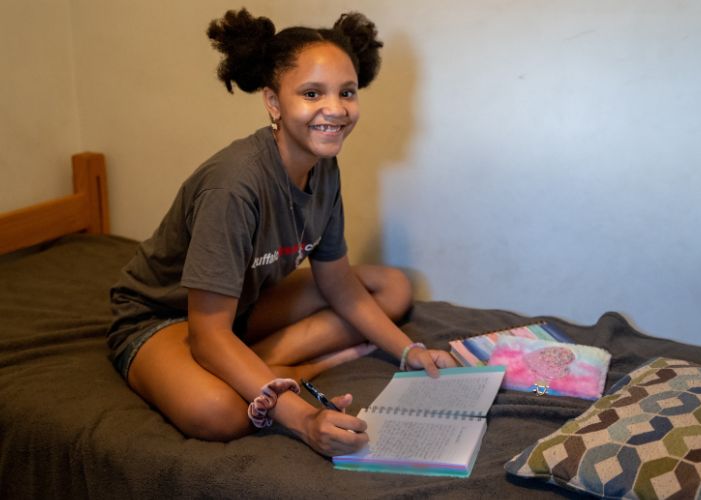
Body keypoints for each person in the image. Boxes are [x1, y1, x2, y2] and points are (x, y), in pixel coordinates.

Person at [106, 9, 456, 456]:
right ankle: (291, 367)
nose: (335, 109)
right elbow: (208, 332)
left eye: (346, 92)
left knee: (391, 286)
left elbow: (337, 282)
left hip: (239, 304)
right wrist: (305, 418)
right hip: (167, 318)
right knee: (223, 413)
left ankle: (253, 365)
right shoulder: (233, 185)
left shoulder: (324, 167)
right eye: (312, 93)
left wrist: (411, 353)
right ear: (273, 102)